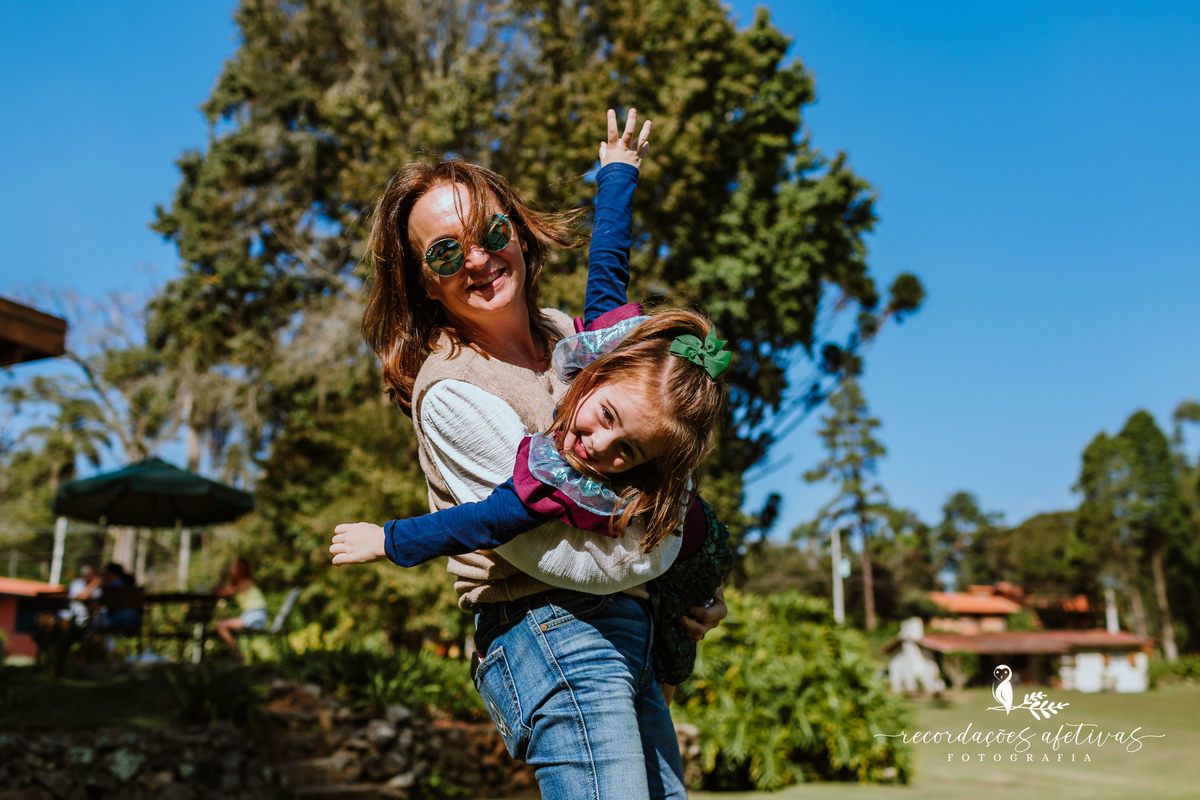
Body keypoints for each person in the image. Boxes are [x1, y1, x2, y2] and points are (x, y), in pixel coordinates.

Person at [344, 109, 726, 799]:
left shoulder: (571, 338)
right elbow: (539, 545)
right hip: (545, 623)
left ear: (518, 235)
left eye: (492, 234)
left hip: (626, 622)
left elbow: (665, 450)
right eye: (445, 252)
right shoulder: (452, 387)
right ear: (423, 280)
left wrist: (688, 584)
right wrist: (667, 559)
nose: (481, 259)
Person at [213, 557, 268, 661]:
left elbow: (221, 593)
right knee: (223, 625)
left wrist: (221, 577)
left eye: (233, 567)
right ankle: (238, 653)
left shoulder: (245, 583)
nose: (231, 569)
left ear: (240, 569)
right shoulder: (246, 582)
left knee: (221, 625)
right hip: (254, 615)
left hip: (254, 616)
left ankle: (236, 652)